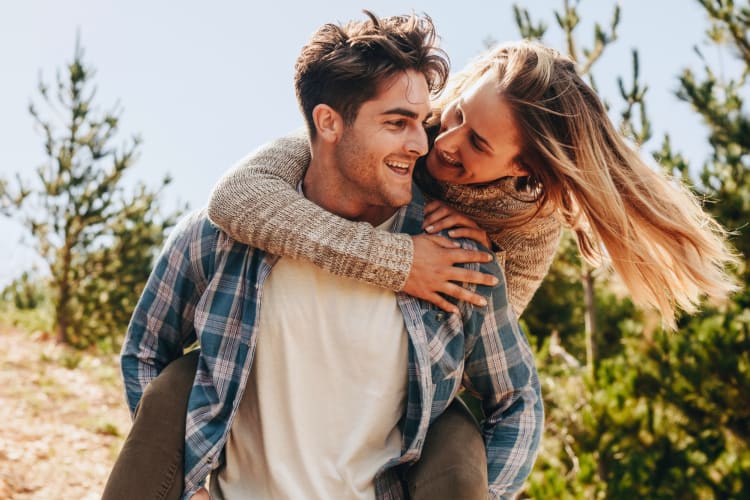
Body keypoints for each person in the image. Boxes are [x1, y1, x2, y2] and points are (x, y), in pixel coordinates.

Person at [104, 11, 542, 500]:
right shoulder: (229, 233)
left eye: (422, 122)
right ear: (328, 122)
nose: (422, 144)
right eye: (397, 123)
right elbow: (145, 347)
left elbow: (518, 400)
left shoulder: (456, 258)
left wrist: (493, 491)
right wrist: (188, 489)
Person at [207, 39, 738, 329]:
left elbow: (482, 351)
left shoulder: (529, 223)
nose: (445, 142)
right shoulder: (406, 128)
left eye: (479, 144)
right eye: (457, 114)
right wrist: (401, 261)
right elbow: (238, 197)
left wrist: (488, 263)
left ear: (524, 170)